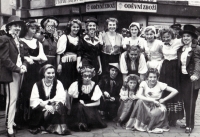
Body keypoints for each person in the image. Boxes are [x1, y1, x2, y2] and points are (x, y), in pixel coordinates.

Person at [0, 15, 28, 137]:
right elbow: (4, 59)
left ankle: (11, 121)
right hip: (11, 73)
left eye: (19, 26)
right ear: (9, 27)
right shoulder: (5, 39)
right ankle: (9, 126)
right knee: (11, 100)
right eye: (15, 26)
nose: (17, 28)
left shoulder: (19, 41)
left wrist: (24, 65)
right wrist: (17, 69)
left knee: (15, 99)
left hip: (18, 73)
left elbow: (24, 56)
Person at [126, 68, 178, 133]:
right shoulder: (144, 83)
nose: (152, 79)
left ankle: (150, 127)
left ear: (157, 77)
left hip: (157, 105)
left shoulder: (160, 84)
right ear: (147, 77)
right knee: (139, 101)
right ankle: (138, 125)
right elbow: (138, 95)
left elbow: (175, 91)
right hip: (147, 103)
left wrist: (163, 99)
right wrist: (152, 100)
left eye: (154, 77)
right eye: (150, 77)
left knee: (154, 114)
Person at [17, 20, 47, 124]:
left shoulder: (37, 42)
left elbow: (43, 58)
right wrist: (36, 58)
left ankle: (35, 118)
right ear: (26, 29)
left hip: (37, 70)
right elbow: (21, 57)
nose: (34, 31)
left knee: (37, 91)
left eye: (35, 29)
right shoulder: (20, 41)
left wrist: (31, 57)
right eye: (32, 28)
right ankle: (25, 118)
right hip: (26, 70)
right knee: (26, 92)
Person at [29, 64, 71, 135]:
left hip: (54, 107)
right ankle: (44, 125)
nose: (51, 75)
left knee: (59, 106)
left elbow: (61, 97)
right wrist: (45, 106)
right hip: (41, 109)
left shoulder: (58, 83)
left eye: (53, 73)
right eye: (48, 73)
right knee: (38, 112)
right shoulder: (37, 85)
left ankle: (57, 128)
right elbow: (33, 101)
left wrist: (49, 103)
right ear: (44, 73)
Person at [68, 65, 107, 131]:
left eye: (89, 76)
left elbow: (98, 103)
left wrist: (85, 105)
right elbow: (69, 97)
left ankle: (85, 124)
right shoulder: (76, 85)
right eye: (85, 76)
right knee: (79, 106)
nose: (87, 78)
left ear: (92, 76)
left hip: (89, 107)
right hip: (77, 108)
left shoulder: (94, 85)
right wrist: (69, 109)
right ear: (82, 76)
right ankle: (80, 124)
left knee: (85, 111)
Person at [159, 28, 184, 126]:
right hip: (165, 68)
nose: (166, 39)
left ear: (172, 35)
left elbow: (188, 41)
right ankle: (166, 115)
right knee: (164, 89)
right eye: (164, 37)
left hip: (174, 69)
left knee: (174, 89)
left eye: (168, 36)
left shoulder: (177, 42)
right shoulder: (162, 44)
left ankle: (174, 118)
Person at [177, 25, 200, 133]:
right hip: (182, 77)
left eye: (188, 36)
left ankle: (190, 125)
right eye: (184, 36)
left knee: (190, 102)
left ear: (192, 38)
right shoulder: (181, 48)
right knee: (185, 101)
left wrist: (196, 74)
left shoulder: (196, 48)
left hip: (192, 78)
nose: (185, 38)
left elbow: (197, 62)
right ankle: (187, 122)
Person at [57, 19, 82, 90]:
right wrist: (59, 65)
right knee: (66, 85)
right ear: (70, 27)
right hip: (66, 65)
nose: (76, 29)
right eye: (74, 27)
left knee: (75, 85)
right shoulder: (64, 37)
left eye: (77, 27)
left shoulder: (80, 38)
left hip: (76, 64)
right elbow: (59, 53)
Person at [77, 17, 102, 82]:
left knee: (94, 81)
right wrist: (78, 64)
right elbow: (79, 53)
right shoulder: (82, 38)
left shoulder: (98, 39)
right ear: (87, 27)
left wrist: (100, 66)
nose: (92, 27)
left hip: (95, 63)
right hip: (86, 62)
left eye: (94, 26)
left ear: (96, 27)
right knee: (86, 80)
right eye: (90, 26)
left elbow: (98, 54)